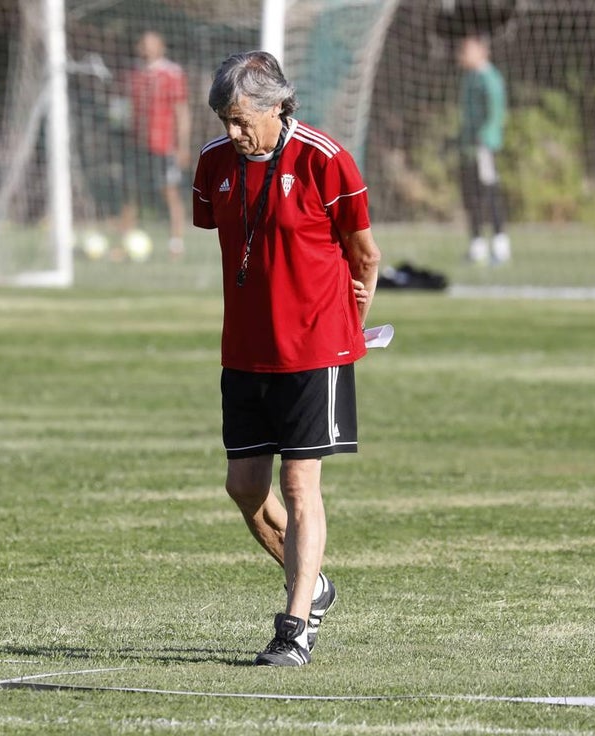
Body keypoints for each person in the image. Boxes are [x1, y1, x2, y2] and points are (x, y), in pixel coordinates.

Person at [192, 51, 381, 666]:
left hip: (314, 350)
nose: (232, 131)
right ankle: (314, 582)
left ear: (279, 107)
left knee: (300, 485)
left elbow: (365, 255)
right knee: (244, 486)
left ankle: (294, 627)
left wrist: (347, 326)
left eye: (243, 118)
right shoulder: (213, 165)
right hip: (245, 351)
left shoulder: (325, 160)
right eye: (224, 118)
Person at [119, 30, 191, 259]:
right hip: (138, 144)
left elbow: (181, 111)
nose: (147, 48)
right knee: (130, 193)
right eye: (144, 44)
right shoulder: (134, 74)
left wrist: (183, 145)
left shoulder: (172, 74)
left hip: (164, 144)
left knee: (169, 192)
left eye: (152, 44)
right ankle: (124, 242)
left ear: (162, 47)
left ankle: (176, 244)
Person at [456, 34, 509, 265]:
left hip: (483, 147)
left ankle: (500, 245)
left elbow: (496, 112)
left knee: (488, 193)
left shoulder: (489, 78)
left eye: (467, 50)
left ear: (481, 51)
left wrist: (484, 138)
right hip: (468, 147)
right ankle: (477, 246)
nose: (461, 55)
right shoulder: (469, 78)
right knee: (472, 195)